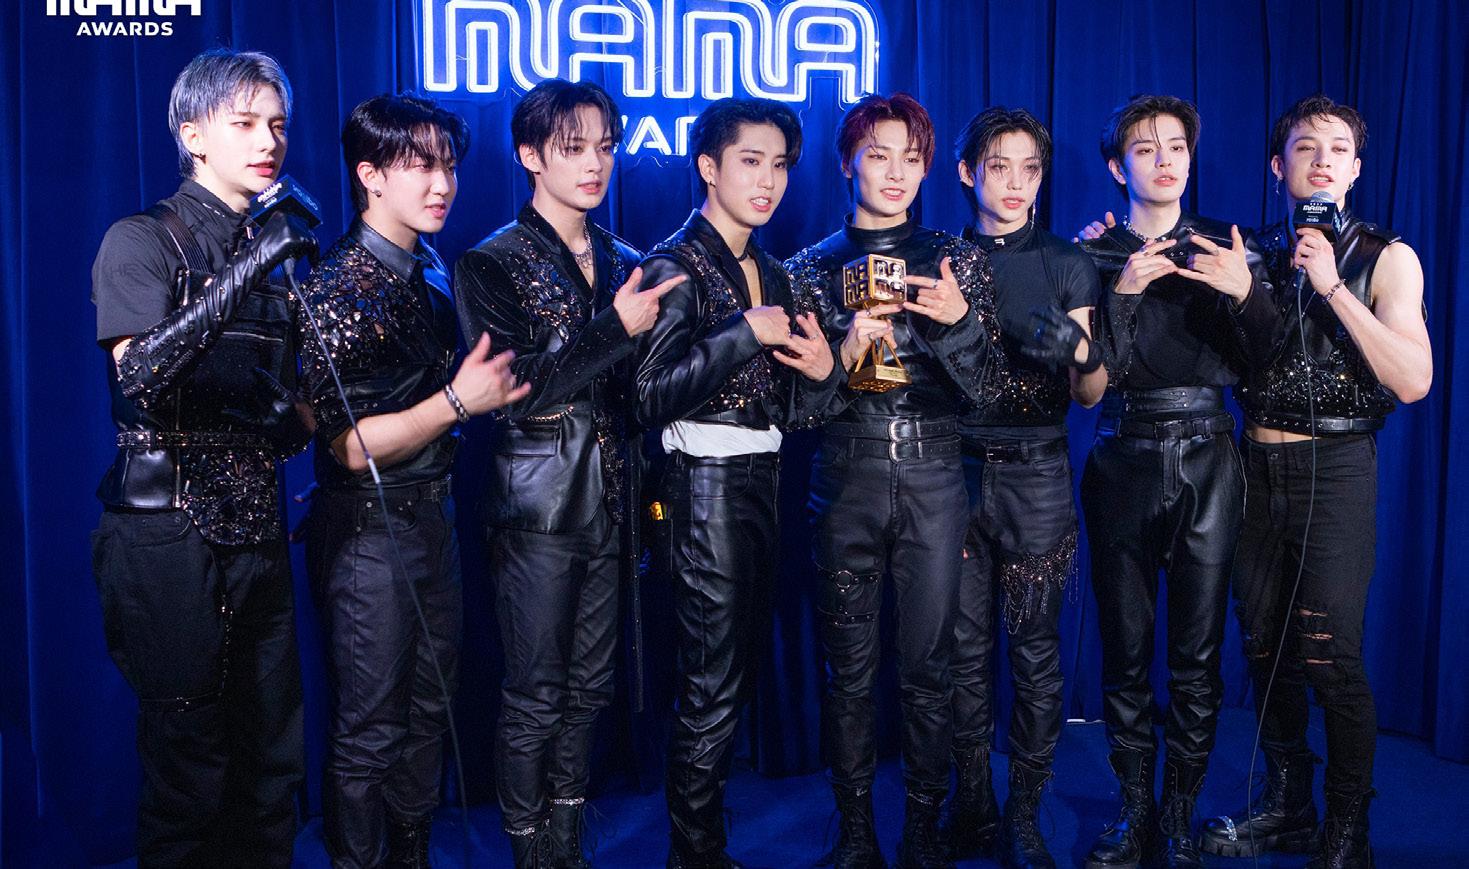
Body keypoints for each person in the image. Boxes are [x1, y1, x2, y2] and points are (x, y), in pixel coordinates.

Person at [89, 48, 316, 867]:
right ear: (192, 134)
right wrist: (255, 262)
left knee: (272, 760)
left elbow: (292, 414)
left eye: (278, 125)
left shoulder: (278, 252)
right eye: (245, 123)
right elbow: (140, 377)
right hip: (167, 535)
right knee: (190, 768)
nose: (268, 141)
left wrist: (290, 416)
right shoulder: (141, 239)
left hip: (257, 530)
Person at [1198, 95, 1431, 869]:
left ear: (1355, 169)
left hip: (1333, 468)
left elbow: (1412, 379)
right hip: (1252, 467)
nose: (1321, 160)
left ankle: (1346, 826)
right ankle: (1288, 802)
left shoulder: (1386, 256)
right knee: (1265, 647)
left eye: (1336, 149)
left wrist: (1332, 286)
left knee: (1330, 654)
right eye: (1305, 147)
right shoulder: (1250, 254)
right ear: (1278, 166)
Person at [454, 78, 680, 869]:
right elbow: (516, 390)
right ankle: (528, 850)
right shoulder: (490, 262)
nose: (594, 164)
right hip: (538, 509)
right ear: (530, 155)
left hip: (616, 500)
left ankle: (564, 841)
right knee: (534, 690)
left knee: (590, 687)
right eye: (573, 148)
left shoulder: (625, 259)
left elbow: (641, 393)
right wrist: (615, 327)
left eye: (605, 148)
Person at [297, 92, 525, 869]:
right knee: (371, 731)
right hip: (368, 531)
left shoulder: (428, 263)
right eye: (420, 166)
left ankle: (412, 857)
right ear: (369, 176)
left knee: (430, 711)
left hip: (432, 517)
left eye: (449, 165)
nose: (442, 184)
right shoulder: (336, 284)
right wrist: (459, 401)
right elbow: (349, 445)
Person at [784, 92, 996, 869]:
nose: (896, 172)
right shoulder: (807, 267)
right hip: (846, 472)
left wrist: (957, 324)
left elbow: (989, 391)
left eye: (911, 158)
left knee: (928, 668)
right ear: (848, 162)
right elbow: (796, 412)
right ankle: (854, 835)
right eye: (878, 155)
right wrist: (841, 355)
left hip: (936, 473)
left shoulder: (954, 259)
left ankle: (923, 831)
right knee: (846, 671)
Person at [634, 97, 839, 868]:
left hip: (763, 479)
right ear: (708, 167)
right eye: (750, 161)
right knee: (710, 685)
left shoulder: (777, 271)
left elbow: (799, 407)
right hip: (701, 486)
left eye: (779, 164)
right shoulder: (672, 265)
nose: (767, 180)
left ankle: (702, 845)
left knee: (735, 676)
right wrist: (741, 331)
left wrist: (823, 371)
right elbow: (648, 395)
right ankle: (694, 854)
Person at [1075, 94, 1278, 869]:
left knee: (1196, 656)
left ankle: (1178, 816)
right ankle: (1133, 813)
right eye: (1144, 148)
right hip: (1121, 453)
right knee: (1125, 651)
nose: (1163, 160)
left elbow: (1267, 362)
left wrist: (1243, 291)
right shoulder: (1091, 254)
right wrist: (1122, 292)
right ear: (1115, 166)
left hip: (1207, 453)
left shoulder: (1228, 245)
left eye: (1176, 147)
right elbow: (1090, 377)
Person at [944, 106, 1106, 869]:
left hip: (1037, 470)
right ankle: (972, 803)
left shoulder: (1066, 261)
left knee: (1035, 652)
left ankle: (1025, 814)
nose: (1015, 183)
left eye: (1029, 168)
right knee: (960, 651)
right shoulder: (940, 259)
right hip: (950, 472)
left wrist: (1081, 352)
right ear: (966, 172)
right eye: (998, 166)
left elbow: (1090, 393)